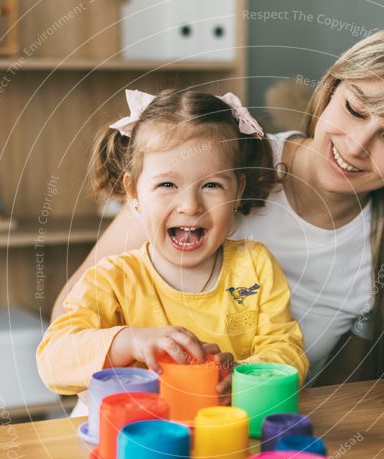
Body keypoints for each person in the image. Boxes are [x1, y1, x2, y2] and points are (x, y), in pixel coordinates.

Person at [53, 19, 384, 385]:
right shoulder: (214, 166)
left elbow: (340, 394)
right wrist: (134, 350)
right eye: (355, 109)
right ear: (330, 88)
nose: (357, 145)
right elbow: (65, 326)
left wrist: (248, 388)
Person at [37, 89, 308, 404]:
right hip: (138, 440)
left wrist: (242, 376)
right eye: (167, 185)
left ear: (238, 192)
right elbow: (53, 360)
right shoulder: (113, 279)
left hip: (225, 436)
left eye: (212, 185)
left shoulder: (255, 266)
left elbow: (288, 350)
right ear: (133, 192)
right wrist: (130, 342)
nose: (190, 206)